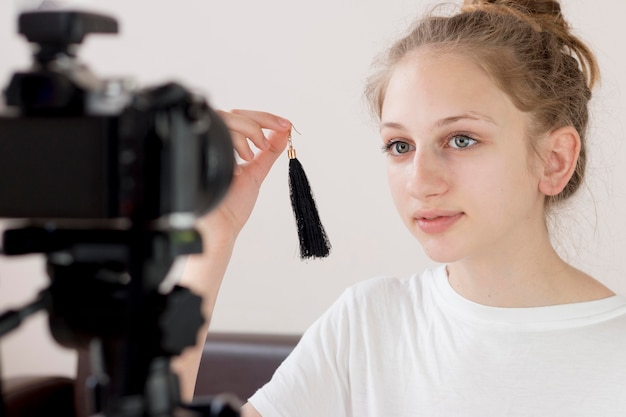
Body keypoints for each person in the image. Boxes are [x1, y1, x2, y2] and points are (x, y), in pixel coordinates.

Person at [173, 0, 626, 415]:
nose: (420, 181)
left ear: (554, 159)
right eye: (400, 145)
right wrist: (214, 235)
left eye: (461, 139)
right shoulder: (367, 326)